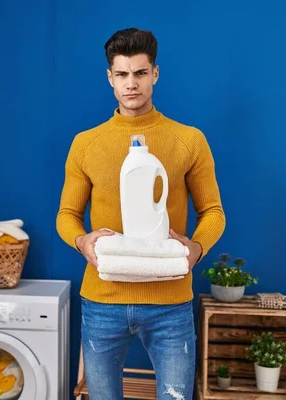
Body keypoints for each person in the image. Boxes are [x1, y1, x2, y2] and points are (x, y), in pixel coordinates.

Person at [56, 27, 225, 399]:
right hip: (103, 300)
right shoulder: (86, 144)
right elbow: (67, 213)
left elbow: (213, 211)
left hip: (170, 304)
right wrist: (82, 240)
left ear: (155, 74)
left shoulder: (188, 140)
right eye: (122, 74)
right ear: (110, 78)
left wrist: (195, 249)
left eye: (140, 73)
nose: (131, 84)